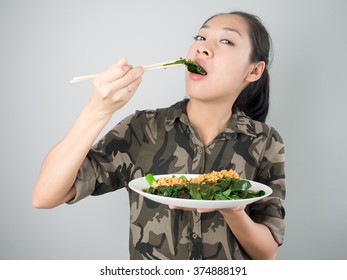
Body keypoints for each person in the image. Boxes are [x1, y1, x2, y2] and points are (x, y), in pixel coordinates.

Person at [32, 11, 286, 260]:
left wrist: (233, 211)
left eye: (226, 41)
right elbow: (45, 196)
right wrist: (97, 110)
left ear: (254, 71)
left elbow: (267, 253)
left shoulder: (264, 141)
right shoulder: (143, 128)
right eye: (200, 38)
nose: (202, 48)